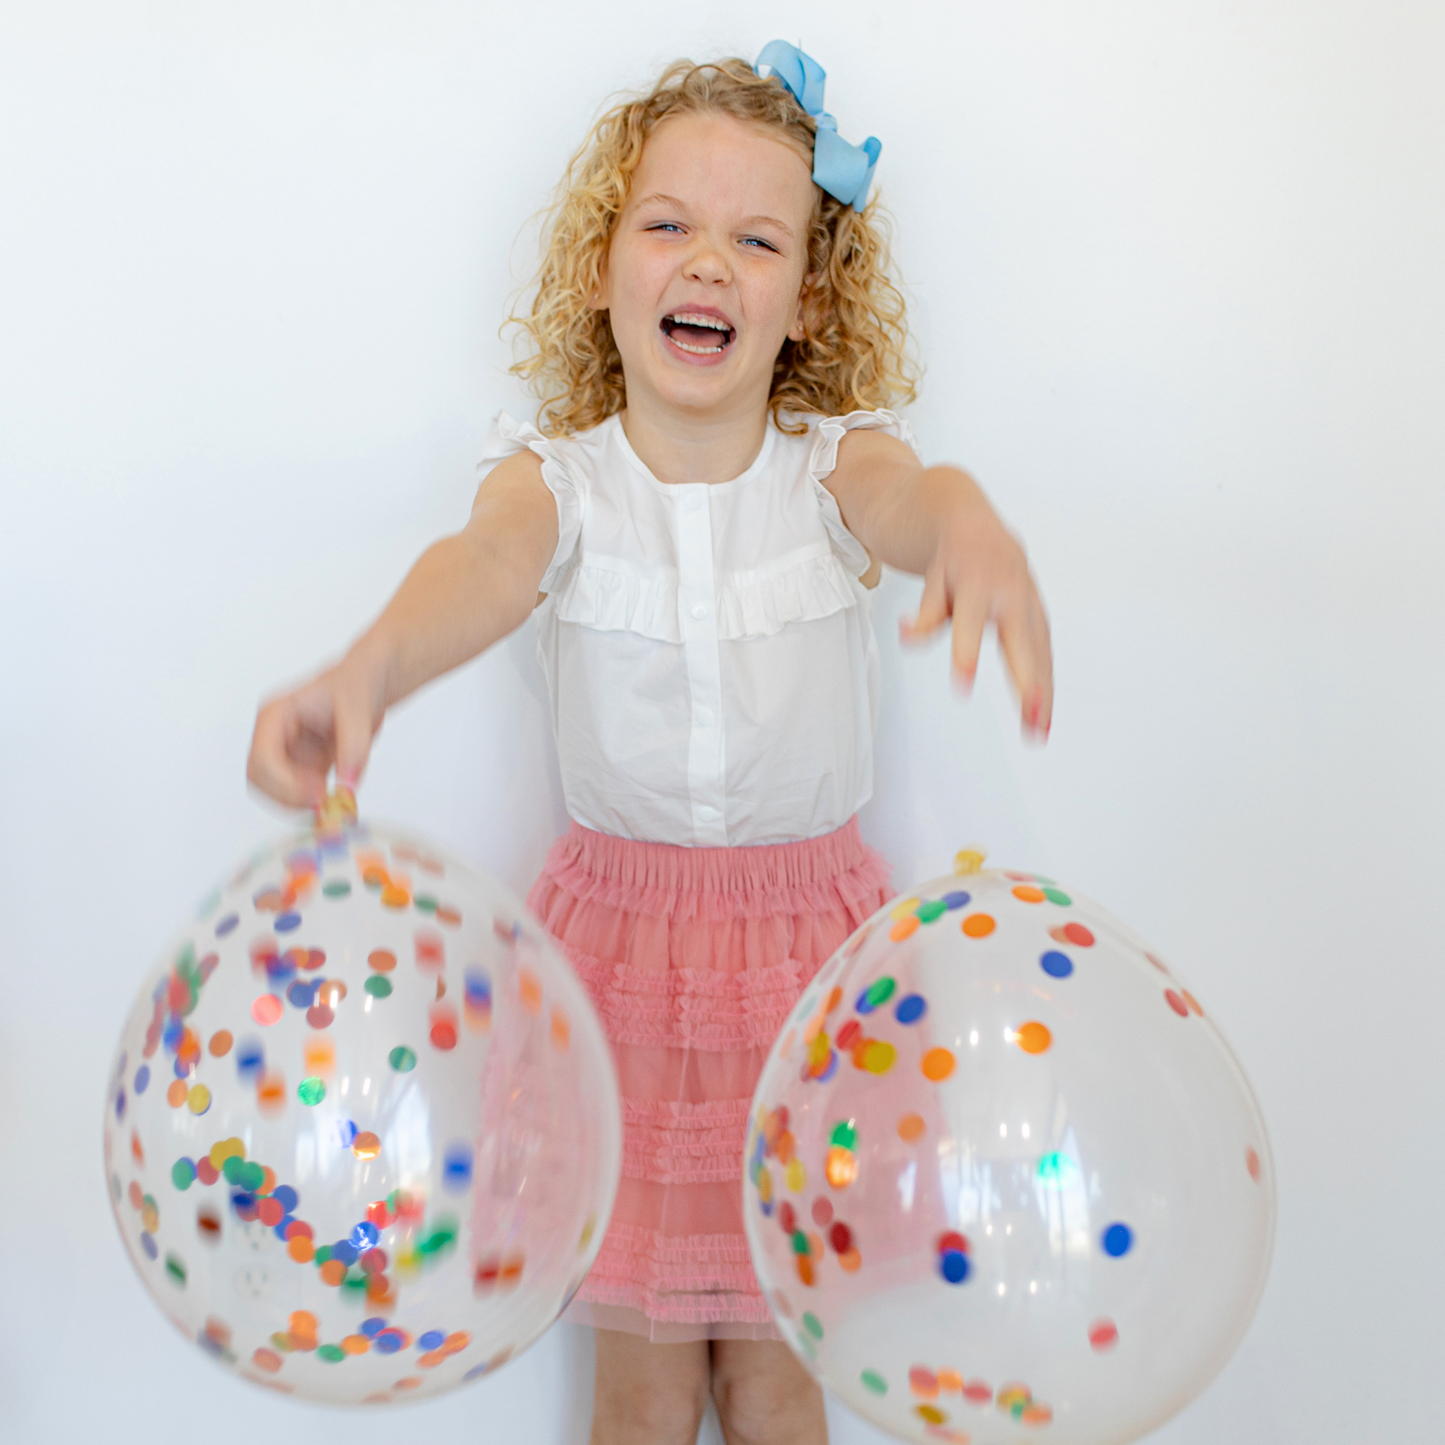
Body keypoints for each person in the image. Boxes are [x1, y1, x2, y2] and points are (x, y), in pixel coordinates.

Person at [247, 43, 1053, 1445]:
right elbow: (484, 566)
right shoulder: (557, 484)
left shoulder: (830, 466)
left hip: (814, 976)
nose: (707, 263)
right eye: (667, 224)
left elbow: (913, 498)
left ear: (806, 299)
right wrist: (370, 665)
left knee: (779, 1373)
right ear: (605, 263)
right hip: (618, 975)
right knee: (640, 1385)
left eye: (757, 238)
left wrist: (969, 522)